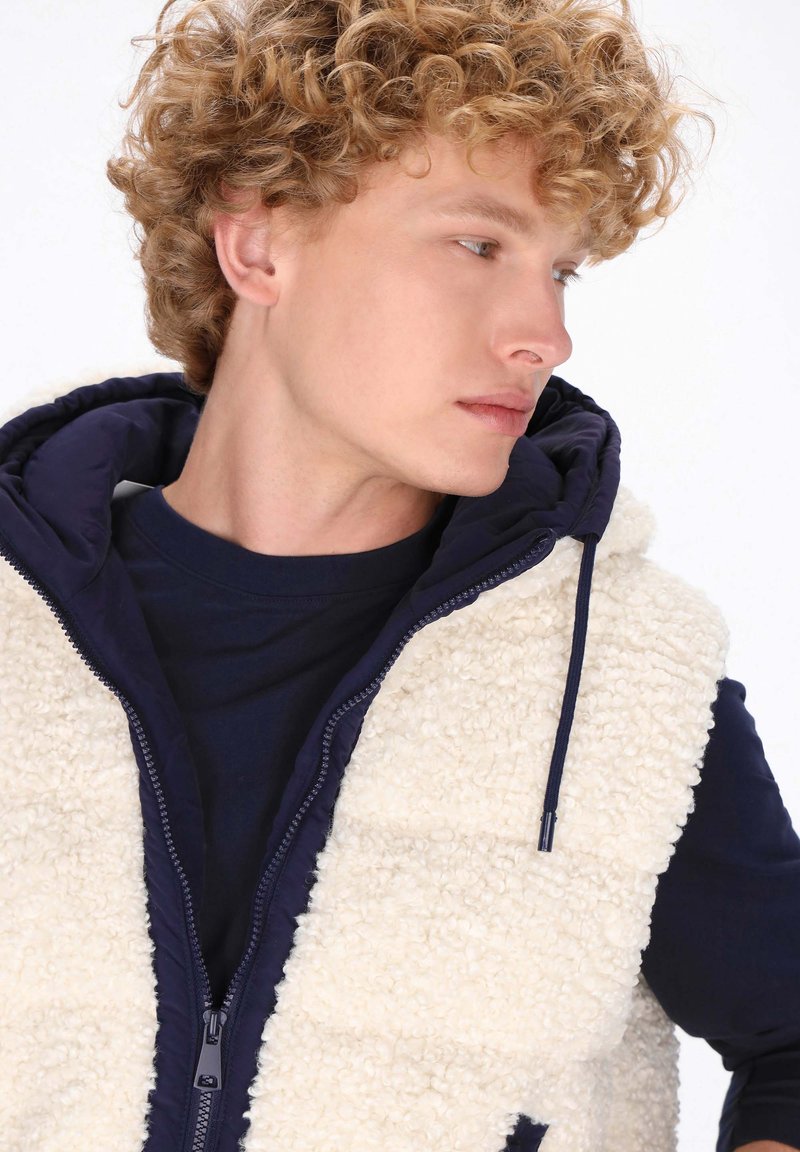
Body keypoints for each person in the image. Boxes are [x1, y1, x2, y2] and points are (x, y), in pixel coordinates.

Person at [0, 0, 797, 1149]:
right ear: (258, 245)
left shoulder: (627, 680)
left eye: (561, 271)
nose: (543, 334)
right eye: (477, 245)